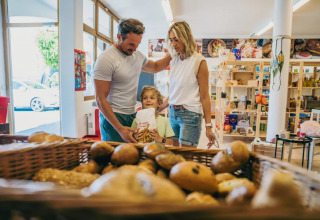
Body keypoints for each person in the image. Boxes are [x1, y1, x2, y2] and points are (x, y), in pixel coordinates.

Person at [94, 18, 171, 143]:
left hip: (132, 114)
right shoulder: (106, 59)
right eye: (131, 44)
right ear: (119, 37)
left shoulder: (137, 56)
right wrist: (119, 128)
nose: (134, 49)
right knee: (115, 157)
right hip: (113, 117)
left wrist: (173, 54)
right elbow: (100, 99)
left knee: (134, 155)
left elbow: (156, 67)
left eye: (137, 44)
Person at [159, 21, 215, 148]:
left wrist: (208, 126)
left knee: (186, 160)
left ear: (186, 37)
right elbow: (174, 94)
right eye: (172, 40)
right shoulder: (174, 61)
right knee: (174, 156)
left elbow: (205, 97)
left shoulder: (199, 61)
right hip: (173, 114)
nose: (173, 44)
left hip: (190, 115)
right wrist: (158, 109)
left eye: (177, 40)